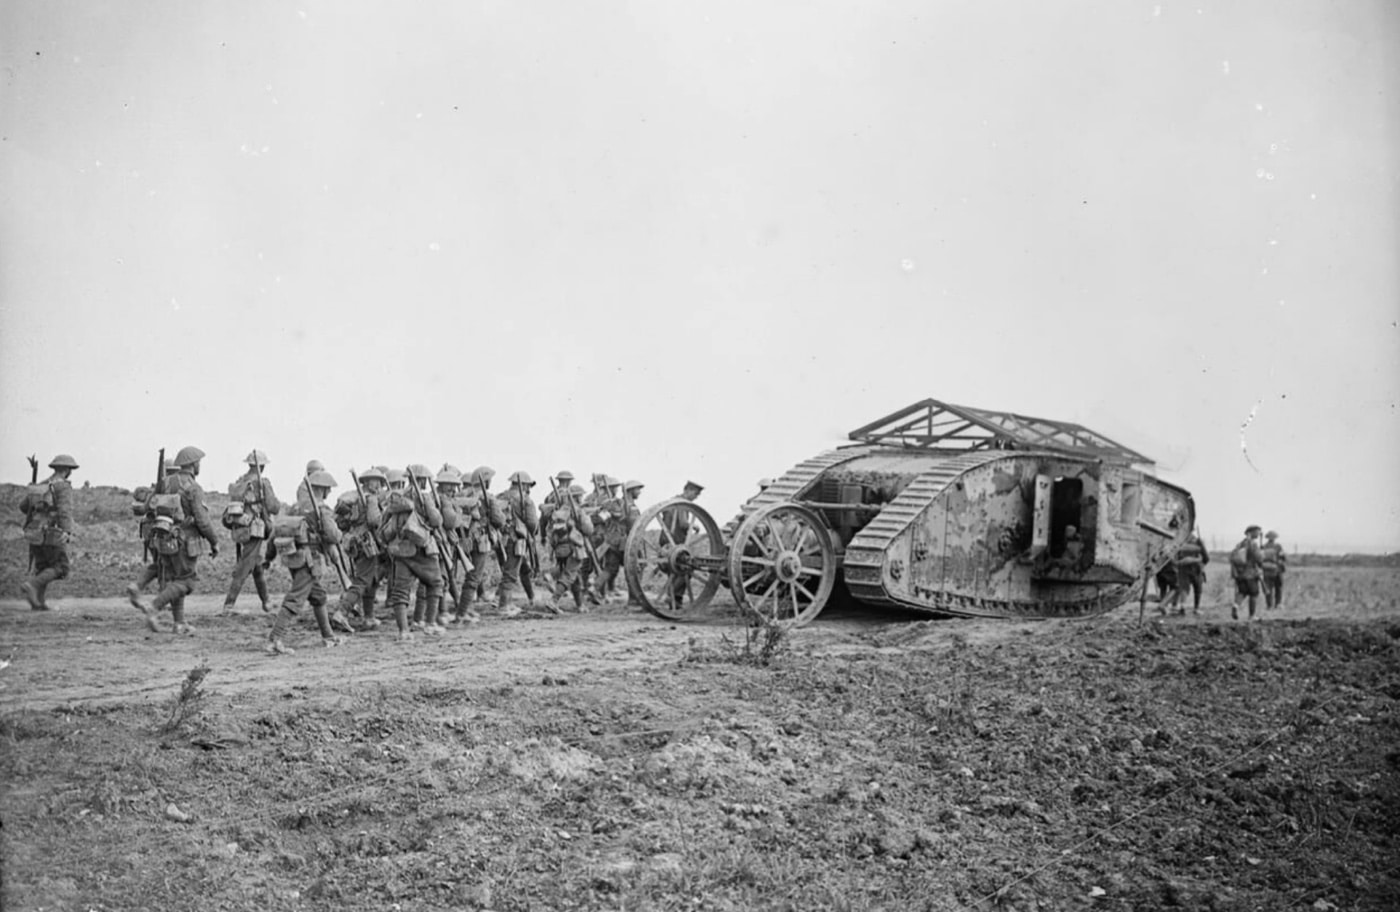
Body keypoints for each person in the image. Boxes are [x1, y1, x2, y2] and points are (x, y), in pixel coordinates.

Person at [128, 445, 221, 634]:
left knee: (174, 581)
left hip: (163, 538)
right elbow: (202, 520)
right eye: (199, 463)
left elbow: (147, 507)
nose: (199, 466)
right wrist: (214, 541)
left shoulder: (165, 482)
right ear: (193, 464)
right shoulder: (194, 488)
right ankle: (154, 607)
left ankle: (179, 623)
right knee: (187, 581)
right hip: (185, 541)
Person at [265, 470, 343, 654]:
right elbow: (333, 535)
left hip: (294, 558)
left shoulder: (294, 509)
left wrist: (269, 557)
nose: (329, 493)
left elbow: (275, 533)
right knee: (295, 599)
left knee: (318, 596)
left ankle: (328, 637)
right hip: (310, 560)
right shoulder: (321, 510)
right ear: (321, 490)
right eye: (327, 489)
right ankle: (275, 639)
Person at [380, 464, 444, 641]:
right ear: (422, 480)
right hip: (422, 550)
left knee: (400, 591)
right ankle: (430, 624)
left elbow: (382, 521)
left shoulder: (395, 499)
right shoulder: (423, 497)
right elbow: (436, 521)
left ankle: (403, 631)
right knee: (436, 583)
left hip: (400, 550)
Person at [221, 449, 281, 615]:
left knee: (256, 564)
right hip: (254, 528)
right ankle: (229, 605)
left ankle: (266, 602)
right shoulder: (262, 483)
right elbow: (273, 507)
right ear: (261, 466)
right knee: (246, 564)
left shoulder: (241, 481)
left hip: (239, 526)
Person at [19, 454, 79, 611]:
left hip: (35, 532)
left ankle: (38, 602)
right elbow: (64, 511)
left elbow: (24, 507)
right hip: (52, 533)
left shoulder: (41, 485)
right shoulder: (63, 486)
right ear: (67, 470)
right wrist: (67, 531)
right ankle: (32, 585)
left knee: (43, 566)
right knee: (61, 567)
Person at [332, 467, 387, 631]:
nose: (378, 486)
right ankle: (342, 613)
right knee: (363, 580)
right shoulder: (370, 499)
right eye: (376, 482)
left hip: (355, 543)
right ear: (368, 483)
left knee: (372, 579)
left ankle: (369, 617)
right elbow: (374, 521)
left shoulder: (353, 498)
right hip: (367, 544)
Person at [455, 466, 507, 622]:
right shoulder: (488, 498)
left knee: (471, 576)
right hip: (480, 541)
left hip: (464, 540)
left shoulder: (461, 495)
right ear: (485, 480)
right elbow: (499, 520)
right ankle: (462, 613)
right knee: (473, 577)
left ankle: (467, 609)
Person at [545, 477, 595, 613]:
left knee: (575, 577)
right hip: (574, 548)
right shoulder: (578, 511)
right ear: (577, 497)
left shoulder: (559, 510)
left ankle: (580, 605)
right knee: (569, 575)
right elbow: (589, 530)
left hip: (560, 548)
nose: (582, 498)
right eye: (581, 496)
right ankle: (553, 601)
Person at [495, 470, 540, 617]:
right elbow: (532, 523)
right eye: (528, 486)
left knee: (523, 568)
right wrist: (532, 534)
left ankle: (530, 597)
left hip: (501, 539)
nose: (529, 489)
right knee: (511, 572)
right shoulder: (525, 499)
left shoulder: (500, 497)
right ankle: (504, 605)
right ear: (524, 485)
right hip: (517, 539)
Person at [595, 479, 643, 604]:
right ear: (631, 491)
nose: (640, 492)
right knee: (634, 569)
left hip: (610, 541)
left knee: (610, 568)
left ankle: (593, 587)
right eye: (638, 489)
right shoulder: (631, 507)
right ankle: (634, 599)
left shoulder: (616, 504)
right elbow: (634, 529)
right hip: (624, 543)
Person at [1165, 531, 1209, 615]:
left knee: (1184, 589)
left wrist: (1179, 562)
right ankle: (1195, 609)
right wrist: (1197, 560)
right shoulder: (1198, 542)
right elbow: (1206, 559)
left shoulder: (1179, 542)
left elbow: (1173, 558)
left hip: (1184, 569)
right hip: (1196, 569)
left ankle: (1183, 607)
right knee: (1197, 589)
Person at [1229, 524, 1265, 621]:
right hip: (1250, 574)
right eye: (1257, 531)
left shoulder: (1241, 544)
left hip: (1240, 574)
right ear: (1251, 532)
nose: (1258, 533)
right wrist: (1262, 557)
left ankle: (1235, 606)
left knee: (1242, 592)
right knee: (1253, 593)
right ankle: (1252, 616)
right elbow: (1258, 558)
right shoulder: (1253, 544)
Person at [1261, 530, 1287, 610]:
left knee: (1268, 589)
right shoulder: (1278, 546)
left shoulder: (1263, 546)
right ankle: (1278, 605)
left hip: (1266, 570)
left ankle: (1269, 606)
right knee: (1278, 588)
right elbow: (1283, 557)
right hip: (1277, 570)